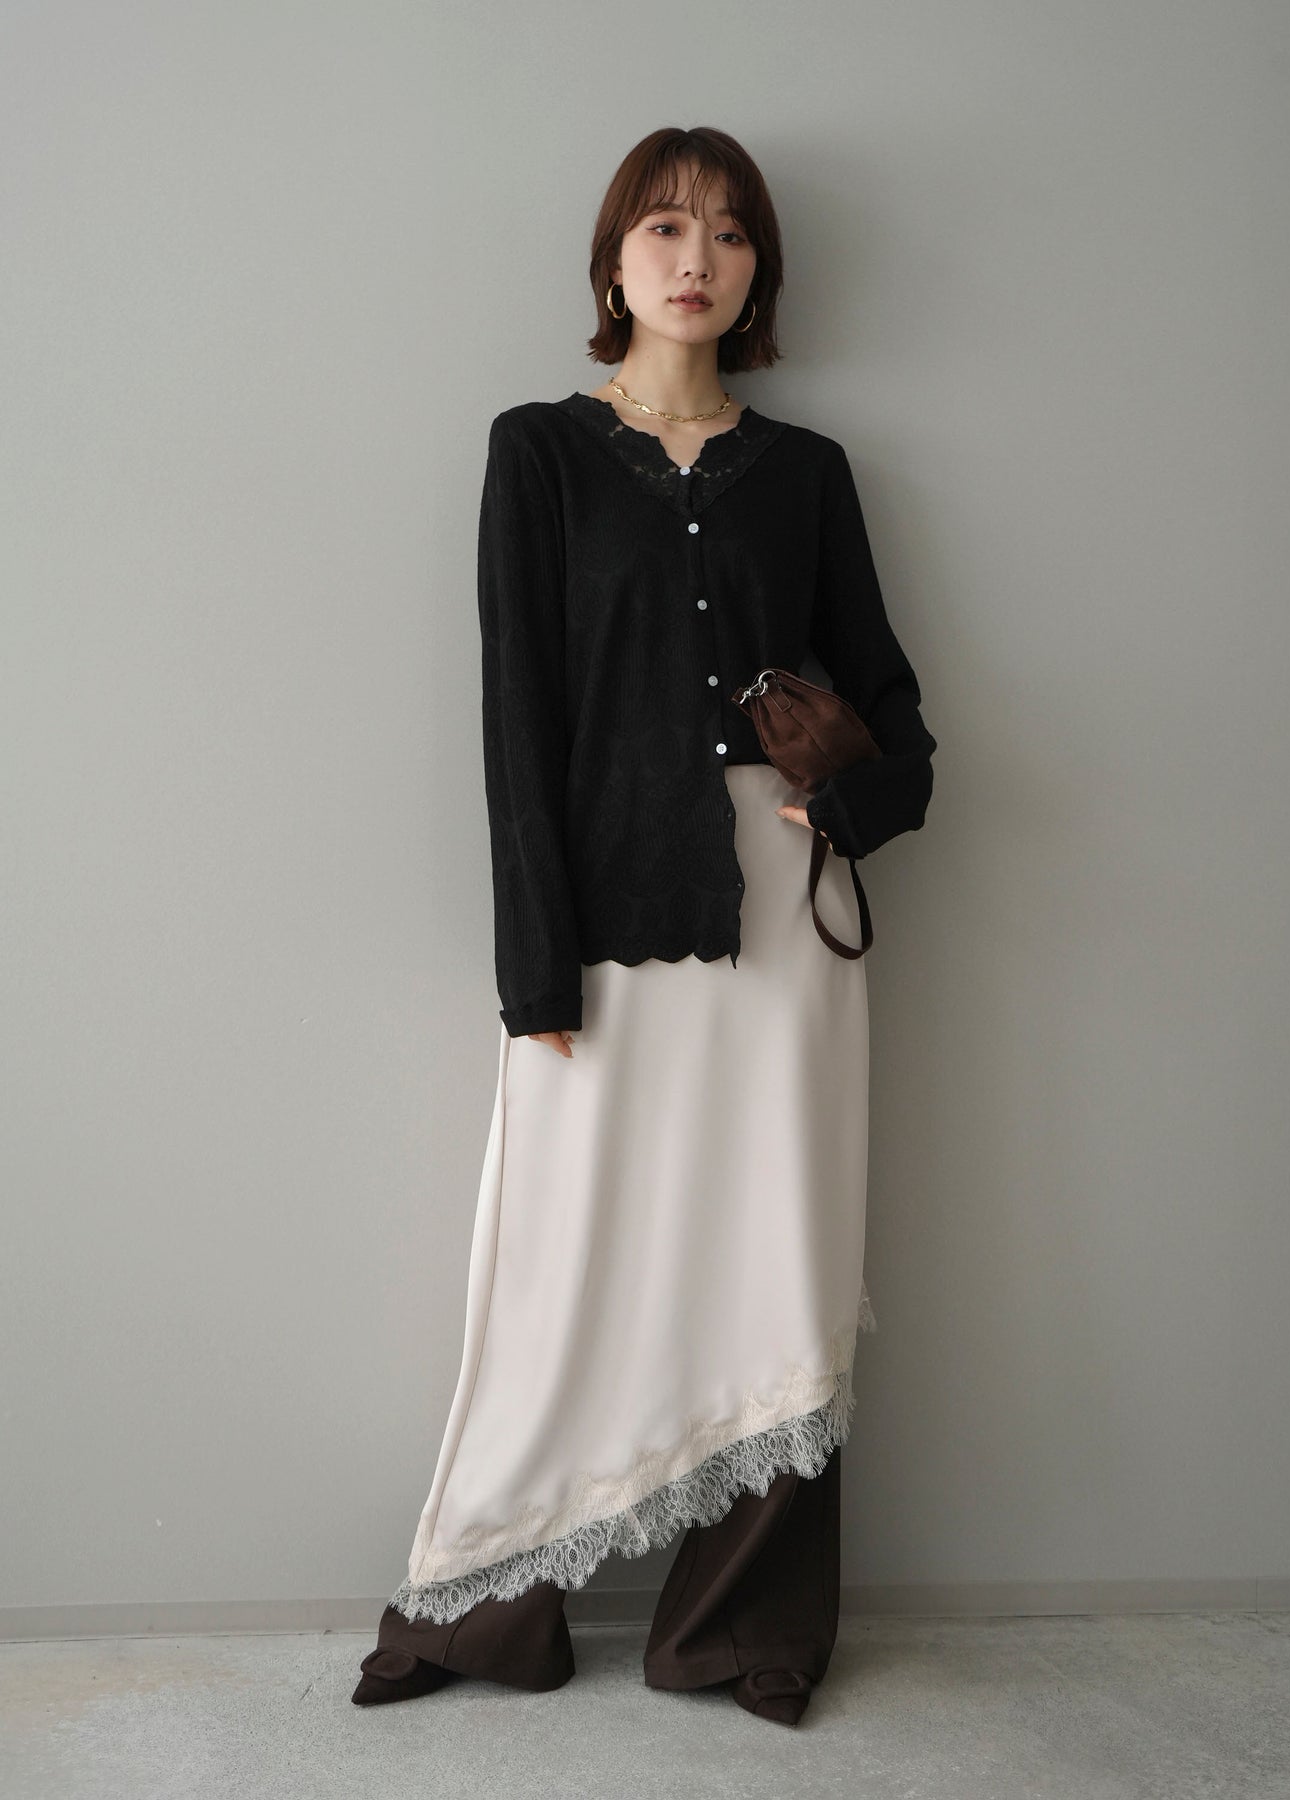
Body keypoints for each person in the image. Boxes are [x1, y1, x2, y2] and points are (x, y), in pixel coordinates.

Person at [351, 124, 937, 1729]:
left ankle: (739, 1629)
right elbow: (518, 719)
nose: (698, 258)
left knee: (782, 1244)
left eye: (731, 235)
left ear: (759, 276)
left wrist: (856, 801)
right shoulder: (538, 453)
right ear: (615, 260)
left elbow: (895, 706)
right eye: (668, 227)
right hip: (606, 903)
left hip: (785, 923)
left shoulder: (807, 473)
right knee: (564, 1258)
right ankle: (494, 1603)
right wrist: (531, 963)